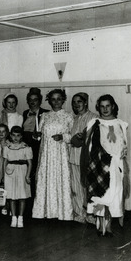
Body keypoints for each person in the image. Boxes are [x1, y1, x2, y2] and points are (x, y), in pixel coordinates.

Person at [81, 95, 128, 236]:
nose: (105, 109)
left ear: (113, 106)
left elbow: (123, 144)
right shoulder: (94, 123)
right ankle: (101, 223)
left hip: (116, 164)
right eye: (102, 106)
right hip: (99, 165)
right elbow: (88, 147)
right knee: (100, 193)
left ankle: (108, 224)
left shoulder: (121, 124)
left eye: (108, 106)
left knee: (115, 193)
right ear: (98, 108)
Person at [32, 89, 74, 221]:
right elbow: (39, 135)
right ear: (49, 100)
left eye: (59, 99)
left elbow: (73, 136)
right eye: (53, 99)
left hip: (61, 153)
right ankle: (45, 212)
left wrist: (63, 136)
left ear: (63, 100)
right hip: (46, 154)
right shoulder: (44, 116)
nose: (56, 102)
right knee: (46, 179)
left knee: (61, 180)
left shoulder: (68, 116)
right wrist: (36, 135)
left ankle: (64, 214)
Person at [68, 92, 98, 224]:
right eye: (74, 102)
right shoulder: (74, 119)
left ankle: (91, 215)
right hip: (73, 158)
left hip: (87, 159)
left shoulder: (93, 118)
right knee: (76, 187)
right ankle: (79, 214)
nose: (76, 105)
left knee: (89, 187)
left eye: (79, 102)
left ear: (85, 102)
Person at [21, 87, 49, 206]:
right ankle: (29, 202)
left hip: (39, 149)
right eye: (30, 100)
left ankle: (40, 203)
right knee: (28, 175)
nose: (33, 102)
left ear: (40, 100)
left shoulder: (46, 113)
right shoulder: (24, 113)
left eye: (35, 99)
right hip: (27, 149)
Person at [2, 126, 33, 228]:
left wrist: (28, 176)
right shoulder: (7, 147)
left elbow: (30, 163)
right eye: (13, 135)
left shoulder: (26, 148)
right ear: (10, 135)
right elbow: (5, 162)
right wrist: (3, 175)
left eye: (18, 136)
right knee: (12, 196)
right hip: (10, 171)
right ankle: (13, 217)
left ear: (21, 136)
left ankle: (20, 218)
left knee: (22, 196)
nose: (15, 138)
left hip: (22, 171)